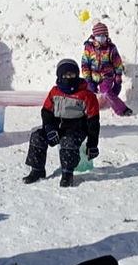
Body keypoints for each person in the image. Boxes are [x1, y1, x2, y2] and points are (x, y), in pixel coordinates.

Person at [23, 60, 101, 188]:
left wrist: (92, 144)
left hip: (77, 128)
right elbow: (46, 112)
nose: (68, 78)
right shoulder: (55, 92)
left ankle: (67, 173)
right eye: (65, 75)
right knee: (37, 136)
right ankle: (37, 170)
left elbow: (93, 121)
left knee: (68, 141)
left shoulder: (87, 95)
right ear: (59, 76)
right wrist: (49, 128)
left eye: (71, 75)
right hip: (56, 127)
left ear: (77, 75)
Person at [80, 21, 131, 116]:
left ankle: (122, 109)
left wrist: (118, 79)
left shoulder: (111, 48)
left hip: (106, 76)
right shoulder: (89, 48)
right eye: (99, 35)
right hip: (92, 76)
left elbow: (117, 64)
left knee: (106, 92)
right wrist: (88, 80)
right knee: (84, 91)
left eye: (104, 35)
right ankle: (84, 110)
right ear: (94, 36)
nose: (101, 38)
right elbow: (85, 65)